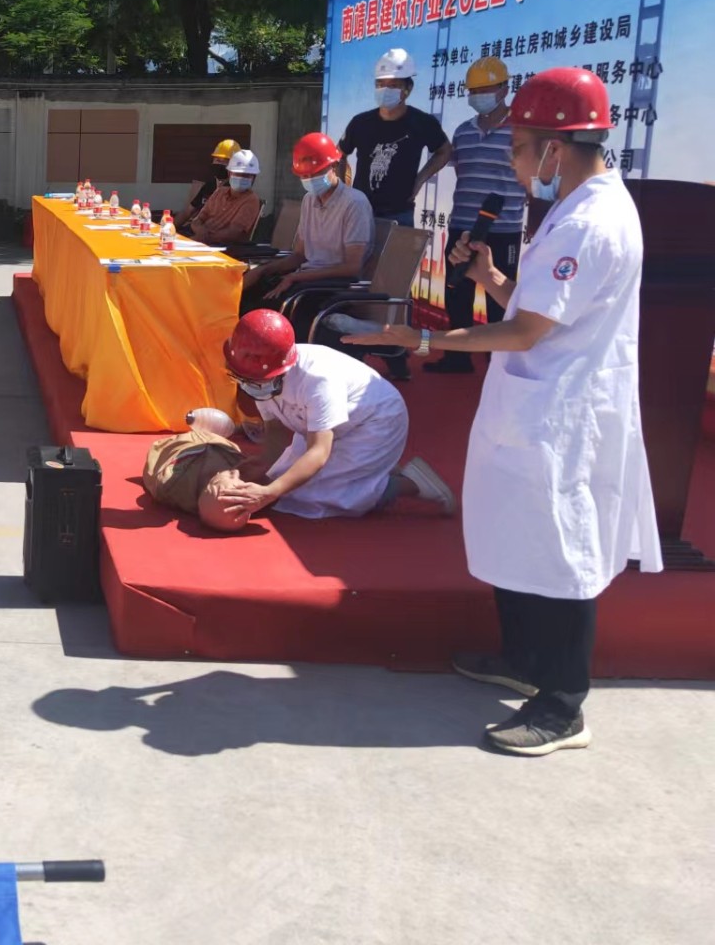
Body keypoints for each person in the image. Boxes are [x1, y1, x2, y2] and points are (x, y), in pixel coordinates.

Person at [342, 67, 661, 756]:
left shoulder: (590, 222)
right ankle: (523, 659)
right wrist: (490, 278)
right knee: (519, 535)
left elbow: (525, 332)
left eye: (518, 147)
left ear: (556, 148)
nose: (513, 163)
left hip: (562, 412)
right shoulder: (572, 209)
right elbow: (537, 307)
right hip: (532, 405)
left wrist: (421, 339)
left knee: (561, 549)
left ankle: (562, 704)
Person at [213, 311, 455, 524]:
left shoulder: (318, 379)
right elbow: (275, 430)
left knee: (328, 496)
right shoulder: (260, 373)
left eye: (254, 381)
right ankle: (373, 468)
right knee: (285, 480)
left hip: (376, 420)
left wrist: (270, 492)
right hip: (329, 425)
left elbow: (318, 452)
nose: (248, 385)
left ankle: (411, 485)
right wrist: (265, 466)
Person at [411, 57, 527, 375]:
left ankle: (498, 360)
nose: (478, 96)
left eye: (485, 89)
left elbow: (530, 179)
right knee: (456, 292)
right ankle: (457, 358)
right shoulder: (463, 132)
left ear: (504, 89)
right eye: (473, 90)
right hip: (462, 226)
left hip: (503, 229)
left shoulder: (521, 132)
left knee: (498, 297)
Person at [239, 133, 373, 332]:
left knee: (264, 314)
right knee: (245, 295)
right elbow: (300, 255)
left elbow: (352, 268)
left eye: (315, 173)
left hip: (331, 287)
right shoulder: (309, 200)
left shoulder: (354, 203)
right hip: (305, 279)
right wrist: (264, 270)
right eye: (304, 176)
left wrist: (297, 278)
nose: (309, 179)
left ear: (333, 166)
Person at [338, 48, 450, 228]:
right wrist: (343, 191)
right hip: (360, 211)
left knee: (398, 249)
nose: (385, 90)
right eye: (380, 84)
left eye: (393, 85)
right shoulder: (360, 123)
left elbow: (444, 151)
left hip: (400, 214)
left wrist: (420, 179)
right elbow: (338, 155)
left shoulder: (422, 122)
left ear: (408, 88)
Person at [186, 148, 261, 246]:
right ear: (229, 174)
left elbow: (233, 233)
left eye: (247, 175)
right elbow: (198, 220)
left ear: (253, 178)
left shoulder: (251, 200)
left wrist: (203, 238)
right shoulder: (219, 192)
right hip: (201, 241)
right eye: (238, 173)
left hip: (223, 248)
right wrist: (199, 230)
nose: (242, 177)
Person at [180, 138, 240, 228]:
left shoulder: (235, 191)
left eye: (224, 161)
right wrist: (171, 226)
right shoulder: (210, 185)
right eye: (217, 160)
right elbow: (188, 211)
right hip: (196, 228)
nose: (219, 164)